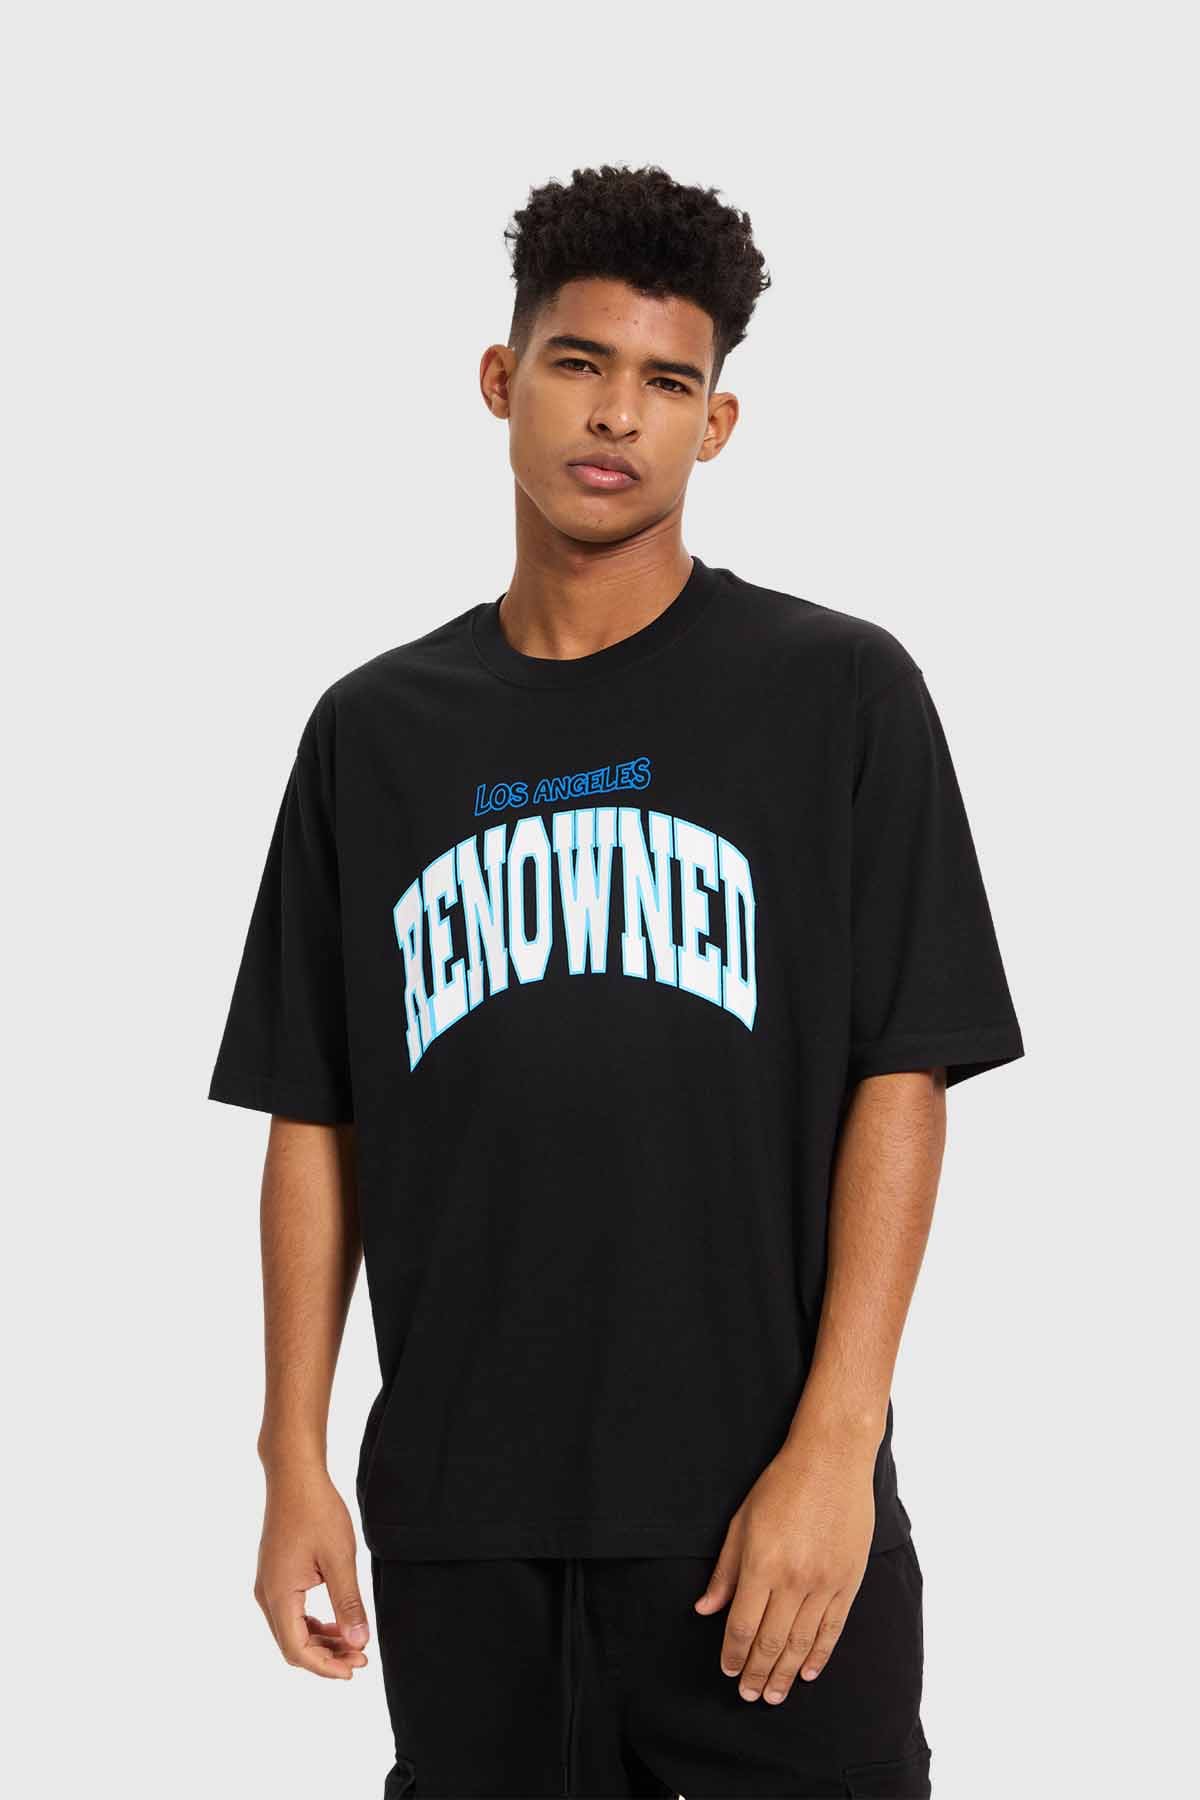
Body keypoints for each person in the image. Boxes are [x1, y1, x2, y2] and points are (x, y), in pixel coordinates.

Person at [208, 162, 1024, 1799]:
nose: (616, 416)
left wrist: (836, 1445)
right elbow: (315, 1110)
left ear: (717, 423)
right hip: (461, 1534)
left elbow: (904, 1071)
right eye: (579, 363)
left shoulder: (837, 694)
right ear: (501, 379)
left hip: (758, 1524)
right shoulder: (374, 732)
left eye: (666, 381)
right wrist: (292, 1455)